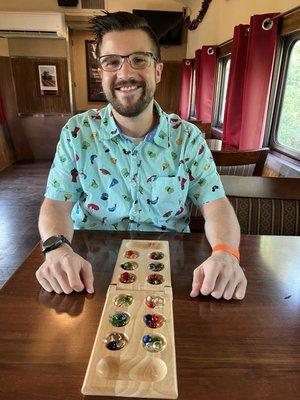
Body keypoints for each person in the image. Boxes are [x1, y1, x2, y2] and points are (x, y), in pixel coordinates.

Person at [36, 11, 247, 300]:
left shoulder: (187, 138)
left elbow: (216, 205)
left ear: (158, 70)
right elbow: (56, 205)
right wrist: (57, 249)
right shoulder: (77, 133)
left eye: (138, 59)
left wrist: (226, 254)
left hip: (173, 277)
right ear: (101, 72)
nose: (125, 74)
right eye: (112, 62)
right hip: (86, 273)